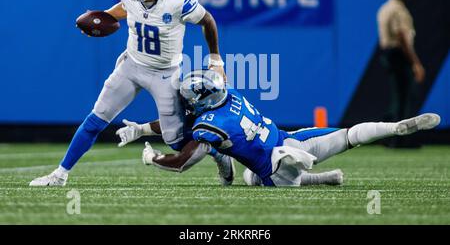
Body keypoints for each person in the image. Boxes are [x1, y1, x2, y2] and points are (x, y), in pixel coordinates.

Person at [29, 0, 234, 187]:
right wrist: (105, 16)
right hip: (132, 65)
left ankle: (218, 154)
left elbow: (207, 20)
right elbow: (126, 8)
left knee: (176, 141)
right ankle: (60, 175)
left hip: (165, 73)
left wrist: (215, 60)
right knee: (96, 119)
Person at [122, 69, 440, 187]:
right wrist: (141, 129)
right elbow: (185, 123)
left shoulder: (208, 125)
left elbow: (181, 162)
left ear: (200, 102)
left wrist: (152, 158)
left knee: (251, 174)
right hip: (287, 138)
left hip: (275, 170)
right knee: (350, 134)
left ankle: (298, 172)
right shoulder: (229, 93)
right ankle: (395, 126)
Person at [377, 0, 425, 134]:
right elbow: (402, 37)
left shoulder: (385, 7)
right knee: (404, 97)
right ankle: (399, 137)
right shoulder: (397, 9)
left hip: (389, 54)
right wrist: (415, 63)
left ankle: (388, 135)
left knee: (398, 96)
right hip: (398, 54)